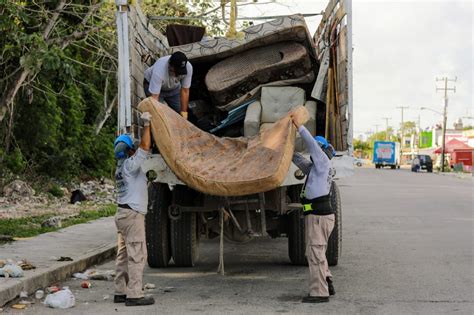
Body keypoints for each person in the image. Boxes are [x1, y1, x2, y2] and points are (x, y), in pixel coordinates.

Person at [290, 113, 336, 304]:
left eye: (317, 148)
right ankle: (327, 279)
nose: (314, 152)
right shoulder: (317, 168)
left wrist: (299, 127)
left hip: (319, 217)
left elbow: (311, 145)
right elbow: (299, 160)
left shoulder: (323, 162)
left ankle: (319, 292)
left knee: (315, 252)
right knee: (315, 251)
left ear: (322, 150)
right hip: (317, 216)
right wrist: (285, 148)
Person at [113, 112, 154, 306]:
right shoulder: (130, 165)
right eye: (133, 147)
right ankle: (135, 295)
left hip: (122, 214)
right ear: (129, 151)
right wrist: (147, 124)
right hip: (132, 215)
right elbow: (145, 148)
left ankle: (120, 291)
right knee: (137, 254)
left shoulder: (120, 168)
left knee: (123, 254)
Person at [143, 51, 193, 120]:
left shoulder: (188, 67)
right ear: (170, 65)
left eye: (180, 72)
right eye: (176, 71)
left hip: (173, 89)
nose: (177, 75)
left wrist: (184, 113)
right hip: (154, 90)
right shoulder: (159, 70)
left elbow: (185, 90)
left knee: (182, 109)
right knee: (161, 114)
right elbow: (154, 98)